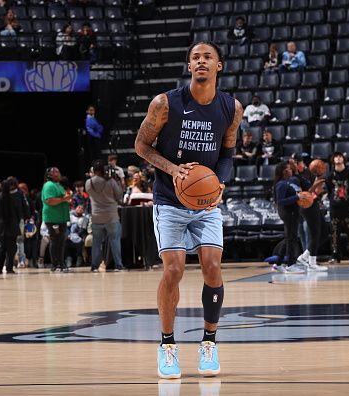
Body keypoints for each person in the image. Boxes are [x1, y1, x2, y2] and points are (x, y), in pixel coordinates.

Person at [134, 41, 242, 378]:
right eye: (195, 58)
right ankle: (167, 345)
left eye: (207, 57)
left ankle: (209, 342)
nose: (201, 62)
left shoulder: (231, 107)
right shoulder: (165, 104)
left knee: (212, 266)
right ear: (189, 66)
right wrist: (173, 170)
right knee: (174, 270)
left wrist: (220, 181)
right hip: (169, 199)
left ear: (219, 66)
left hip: (206, 202)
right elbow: (141, 145)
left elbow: (227, 153)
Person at [85, 159, 124, 272]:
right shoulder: (110, 181)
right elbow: (119, 195)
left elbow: (90, 194)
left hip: (96, 216)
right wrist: (116, 181)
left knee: (96, 242)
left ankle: (94, 266)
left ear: (93, 170)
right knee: (114, 240)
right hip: (111, 216)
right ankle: (118, 265)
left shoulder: (89, 183)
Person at [326, 152, 349, 264]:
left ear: (343, 159)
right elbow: (329, 191)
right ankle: (335, 255)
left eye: (340, 156)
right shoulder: (330, 176)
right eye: (336, 157)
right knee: (335, 233)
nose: (338, 158)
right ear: (333, 160)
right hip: (335, 208)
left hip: (348, 207)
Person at [0, 178, 29, 274]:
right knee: (12, 248)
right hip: (11, 225)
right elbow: (18, 212)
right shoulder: (13, 199)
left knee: (2, 247)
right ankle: (9, 268)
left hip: (0, 226)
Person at [272, 161, 303, 272]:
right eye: (289, 169)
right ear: (284, 172)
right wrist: (297, 197)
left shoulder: (286, 182)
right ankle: (290, 265)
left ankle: (278, 263)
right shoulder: (281, 184)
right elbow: (280, 201)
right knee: (291, 238)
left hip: (291, 212)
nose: (291, 171)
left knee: (289, 237)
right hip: (288, 212)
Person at [41, 167, 71, 272]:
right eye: (56, 172)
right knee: (55, 240)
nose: (59, 174)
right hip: (53, 218)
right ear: (50, 175)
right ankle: (55, 265)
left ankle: (61, 263)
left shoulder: (59, 185)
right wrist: (64, 199)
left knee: (61, 241)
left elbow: (64, 198)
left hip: (61, 218)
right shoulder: (49, 185)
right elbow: (50, 200)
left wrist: (67, 198)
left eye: (59, 171)